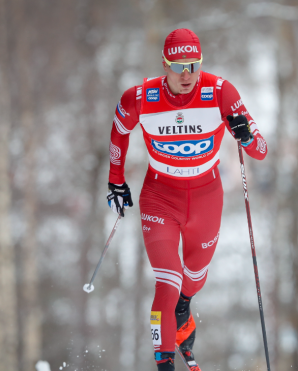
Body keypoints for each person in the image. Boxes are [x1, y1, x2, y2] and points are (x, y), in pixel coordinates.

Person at [106, 28, 267, 371]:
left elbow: (261, 151)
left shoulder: (221, 92)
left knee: (194, 275)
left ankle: (185, 306)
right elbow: (120, 131)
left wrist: (246, 136)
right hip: (159, 197)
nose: (186, 75)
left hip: (206, 198)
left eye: (193, 65)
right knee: (168, 279)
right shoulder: (141, 97)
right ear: (164, 64)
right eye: (178, 66)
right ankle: (164, 363)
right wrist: (115, 181)